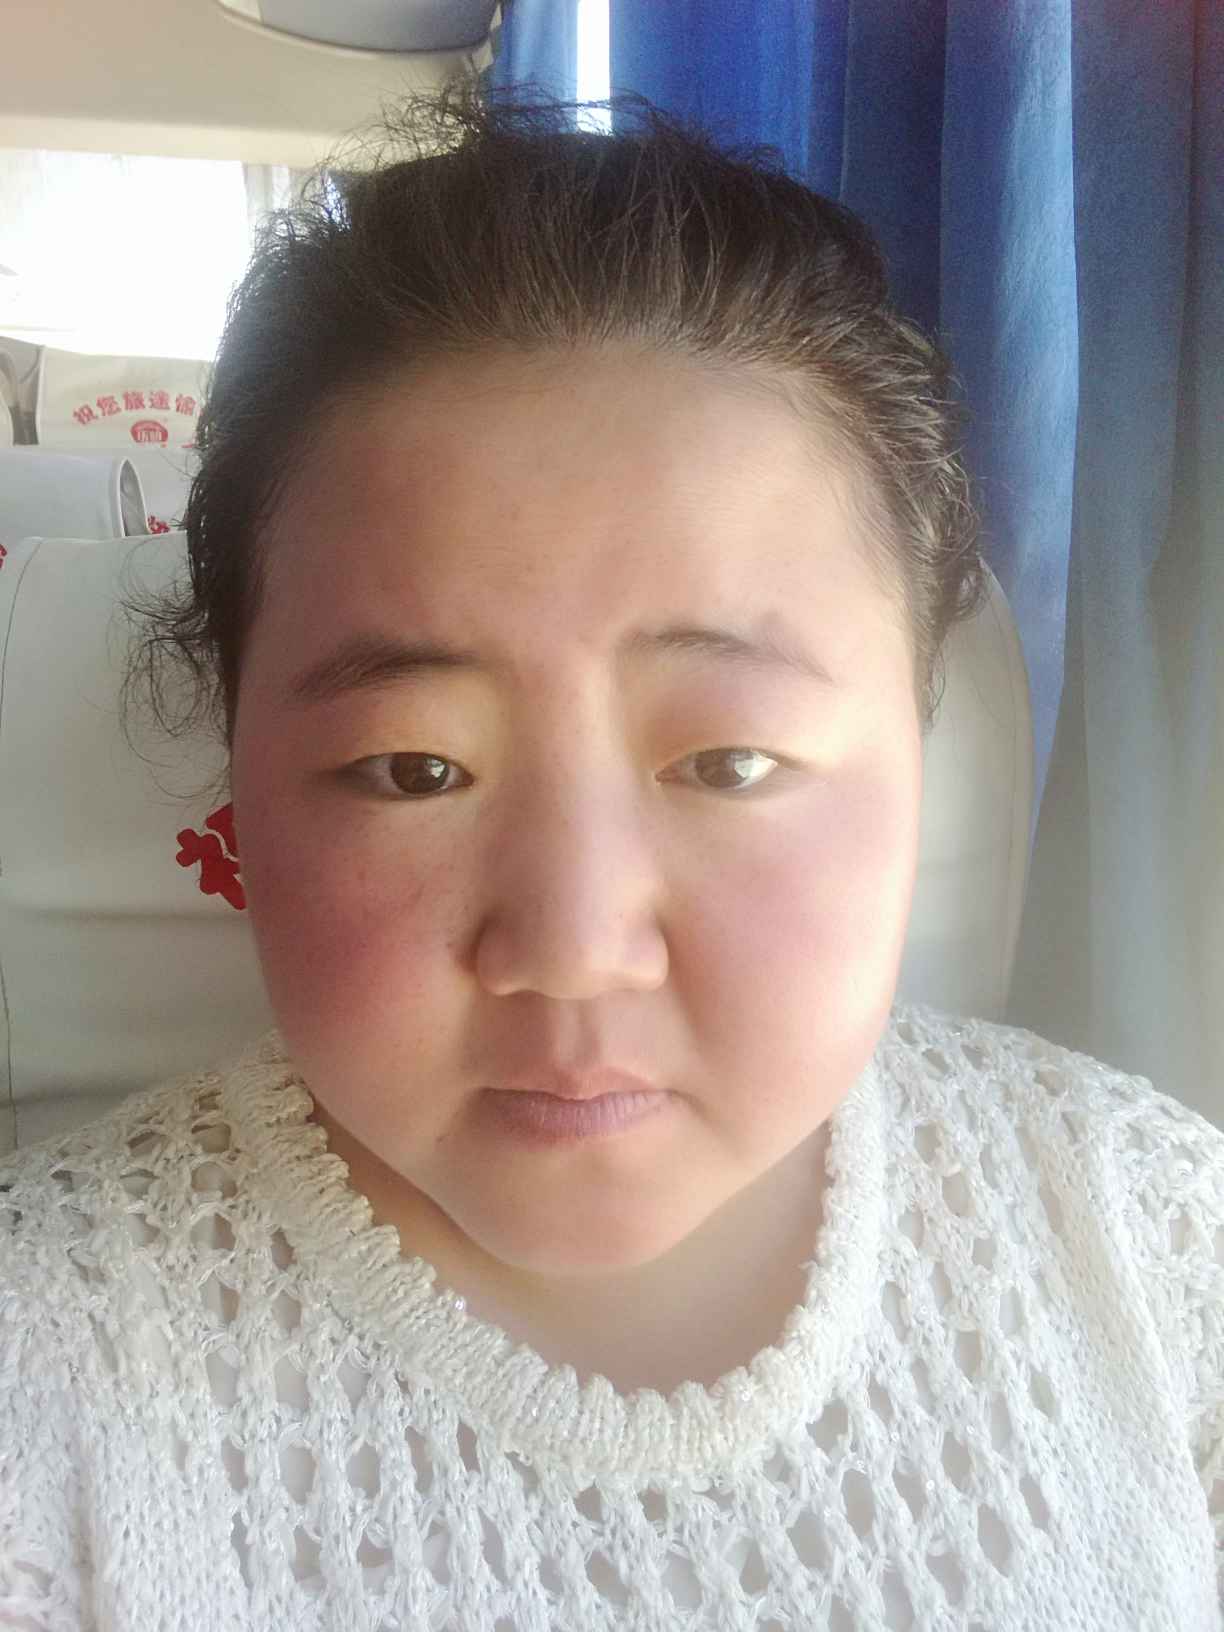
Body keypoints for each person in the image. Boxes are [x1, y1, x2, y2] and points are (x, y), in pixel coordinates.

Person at [1, 81, 1221, 1632]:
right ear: (236, 784)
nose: (573, 947)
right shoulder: (43, 1373)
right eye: (413, 769)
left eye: (728, 762)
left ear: (924, 756)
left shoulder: (1154, 1240)